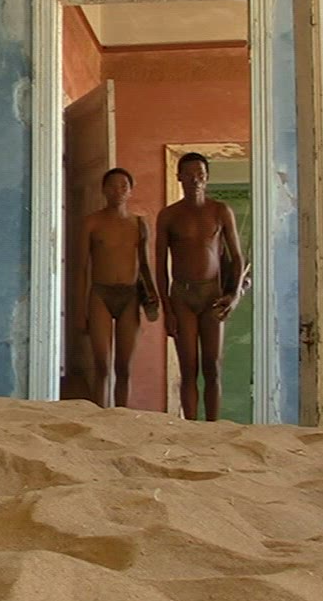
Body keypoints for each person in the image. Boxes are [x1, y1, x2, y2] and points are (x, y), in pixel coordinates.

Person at [155, 153, 249, 422]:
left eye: (200, 174)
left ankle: (213, 427)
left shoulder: (220, 211)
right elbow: (160, 264)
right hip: (182, 296)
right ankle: (191, 427)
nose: (195, 179)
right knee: (188, 368)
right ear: (179, 177)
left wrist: (234, 295)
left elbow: (237, 257)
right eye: (189, 174)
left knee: (213, 367)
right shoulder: (169, 215)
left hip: (212, 295)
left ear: (207, 177)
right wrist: (167, 309)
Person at [77, 168, 160, 409]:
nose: (118, 191)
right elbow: (81, 268)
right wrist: (80, 311)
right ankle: (99, 416)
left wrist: (152, 296)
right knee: (102, 366)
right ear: (103, 190)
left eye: (124, 186)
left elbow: (145, 265)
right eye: (112, 186)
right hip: (100, 294)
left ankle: (122, 417)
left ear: (131, 191)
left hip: (130, 296)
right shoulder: (91, 223)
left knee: (123, 367)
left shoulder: (139, 224)